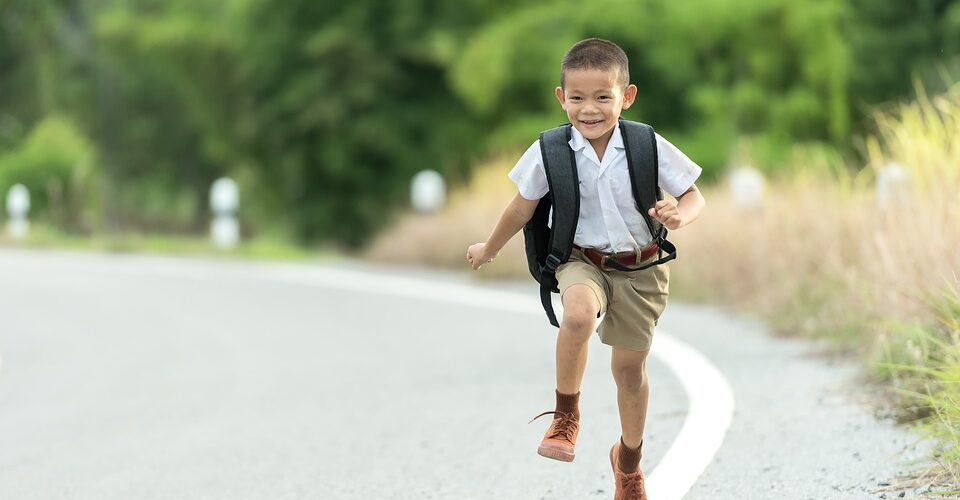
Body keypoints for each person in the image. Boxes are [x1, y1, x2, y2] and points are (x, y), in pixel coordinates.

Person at [465, 38, 705, 500]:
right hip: (581, 260)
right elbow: (520, 209)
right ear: (561, 98)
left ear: (626, 96)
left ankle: (629, 461)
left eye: (602, 97)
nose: (588, 109)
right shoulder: (551, 151)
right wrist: (489, 248)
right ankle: (566, 415)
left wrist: (681, 214)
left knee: (629, 373)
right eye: (576, 98)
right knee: (576, 316)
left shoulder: (645, 143)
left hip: (641, 269)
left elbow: (694, 195)